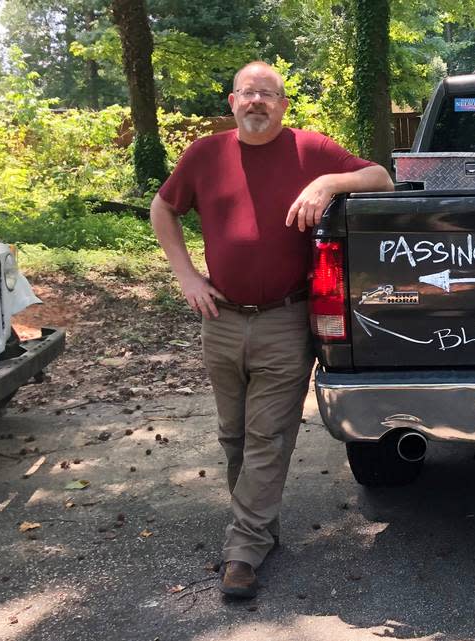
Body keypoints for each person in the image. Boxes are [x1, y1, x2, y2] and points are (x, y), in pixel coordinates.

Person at [150, 61, 393, 599]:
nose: (257, 101)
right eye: (248, 93)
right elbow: (162, 209)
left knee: (267, 436)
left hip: (286, 319)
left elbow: (381, 178)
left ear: (284, 105)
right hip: (221, 318)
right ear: (233, 102)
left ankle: (241, 551)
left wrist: (328, 182)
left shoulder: (312, 151)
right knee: (233, 434)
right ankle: (259, 529)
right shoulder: (204, 154)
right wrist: (187, 276)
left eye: (269, 94)